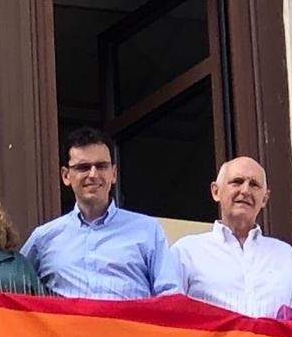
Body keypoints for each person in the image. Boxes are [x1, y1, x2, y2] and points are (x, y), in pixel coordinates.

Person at [21, 127, 181, 300]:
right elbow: (12, 287)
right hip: (68, 327)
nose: (93, 174)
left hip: (128, 327)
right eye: (83, 167)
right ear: (66, 176)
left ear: (113, 173)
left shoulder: (147, 230)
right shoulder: (43, 238)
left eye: (101, 166)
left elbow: (171, 297)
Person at [171, 156, 292, 321]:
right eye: (237, 182)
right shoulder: (186, 252)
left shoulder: (285, 256)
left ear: (265, 199)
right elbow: (171, 320)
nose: (245, 190)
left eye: (254, 184)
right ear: (216, 191)